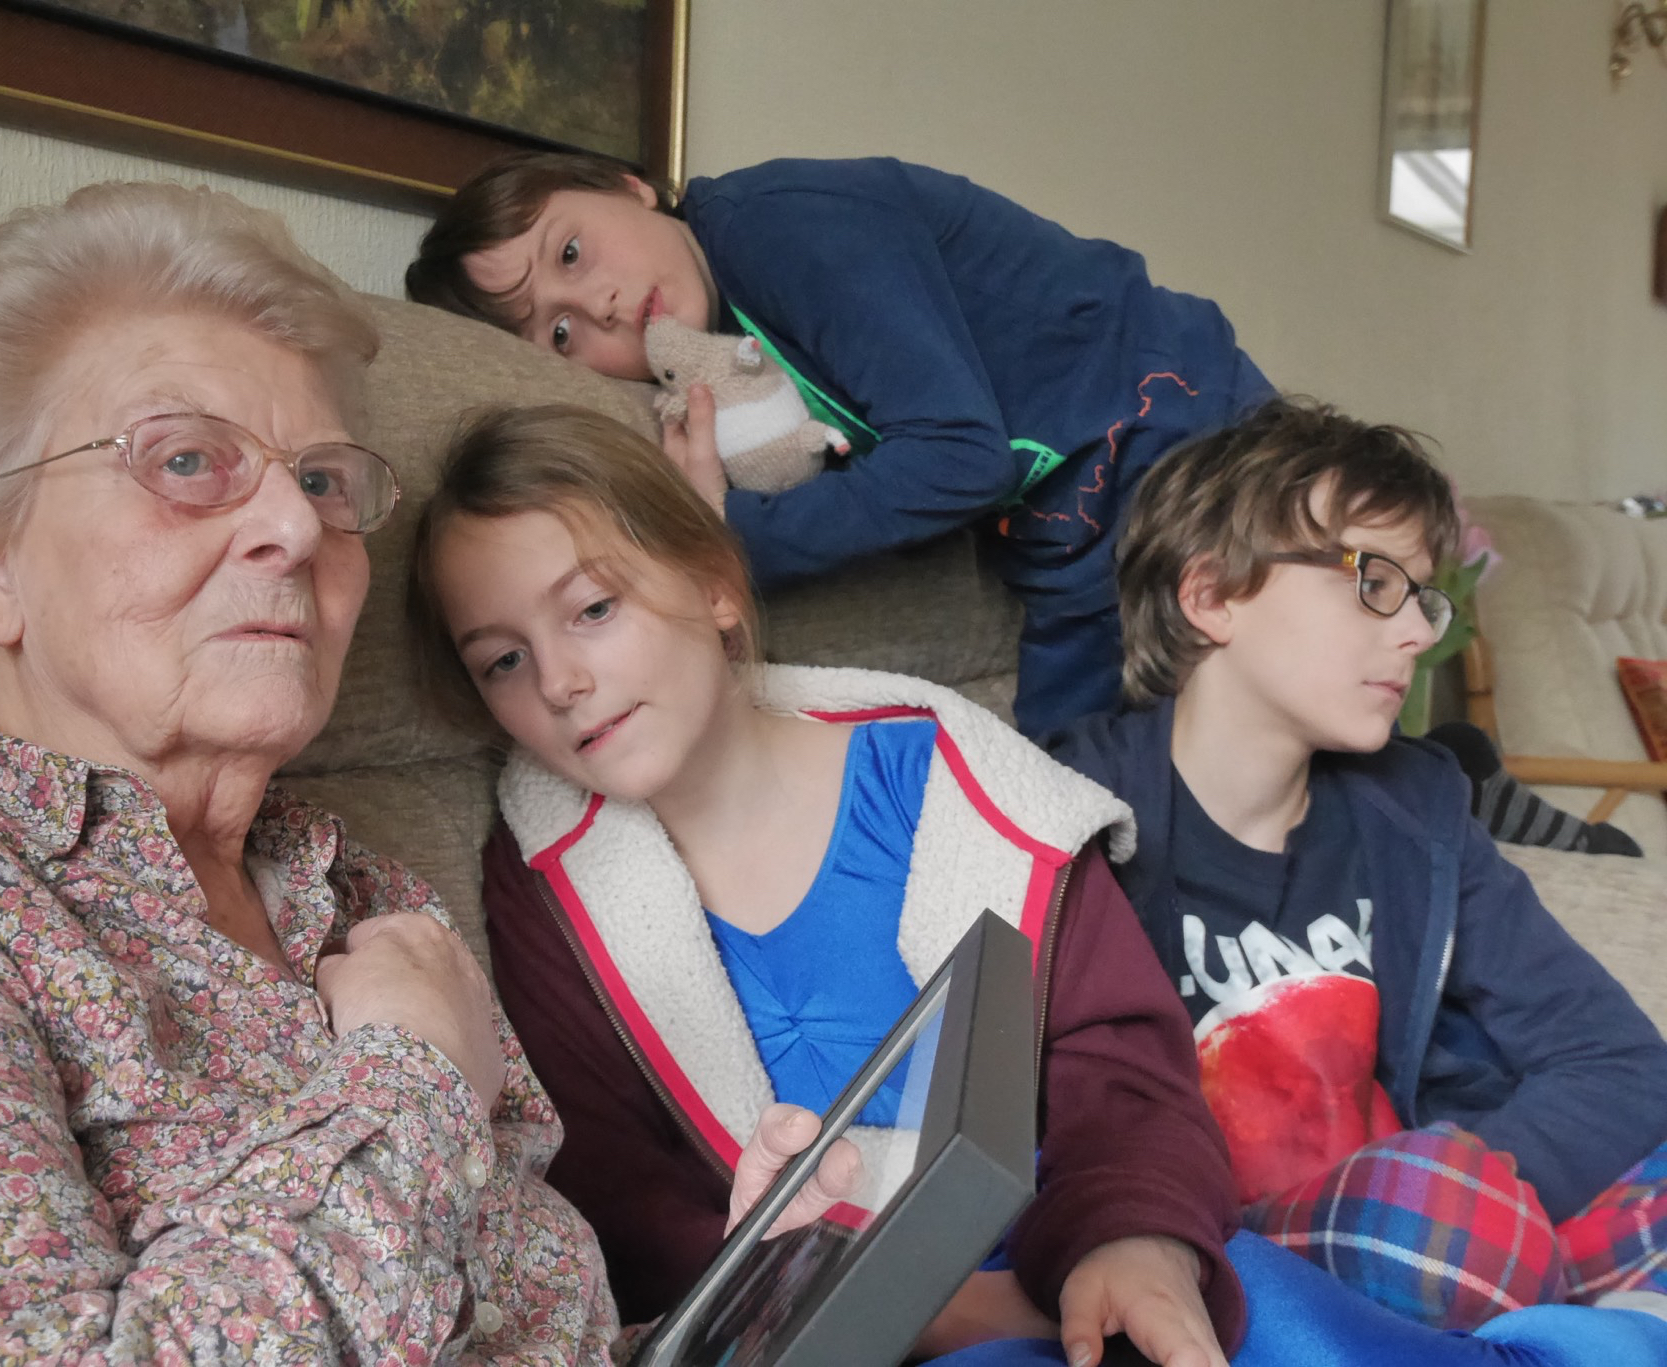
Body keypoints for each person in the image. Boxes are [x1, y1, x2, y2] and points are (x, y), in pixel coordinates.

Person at [0, 181, 631, 1362]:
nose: (298, 527)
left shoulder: (360, 894)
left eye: (319, 480)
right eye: (187, 458)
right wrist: (412, 1079)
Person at [407, 403, 1254, 1367]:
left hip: (1071, 1249)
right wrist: (929, 1310)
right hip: (814, 1323)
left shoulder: (953, 785)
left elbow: (1123, 1071)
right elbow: (616, 1198)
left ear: (716, 586)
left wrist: (1133, 1243)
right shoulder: (548, 887)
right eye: (503, 661)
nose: (558, 681)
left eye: (594, 609)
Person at [1044, 398, 1667, 1330]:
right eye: (1375, 581)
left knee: (1448, 1214)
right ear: (1210, 596)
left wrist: (1478, 1191)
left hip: (1430, 1228)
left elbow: (1619, 1058)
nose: (1417, 633)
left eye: (1423, 596)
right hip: (1206, 1248)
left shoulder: (1416, 807)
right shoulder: (1067, 815)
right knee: (1438, 1221)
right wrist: (1453, 1210)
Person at [403, 152, 1276, 737]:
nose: (594, 305)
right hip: (1067, 539)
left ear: (632, 187)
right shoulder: (718, 359)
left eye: (571, 252)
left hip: (1178, 427)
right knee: (1074, 796)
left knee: (1254, 713)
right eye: (557, 335)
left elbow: (963, 456)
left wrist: (722, 535)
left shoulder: (777, 224)